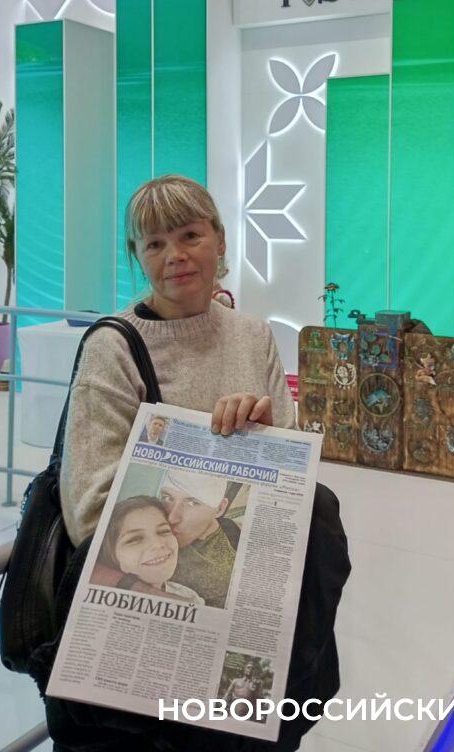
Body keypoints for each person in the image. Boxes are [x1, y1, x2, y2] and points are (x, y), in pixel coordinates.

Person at [60, 174, 296, 552]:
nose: (175, 256)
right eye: (155, 244)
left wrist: (265, 439)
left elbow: (292, 479)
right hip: (147, 570)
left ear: (220, 240)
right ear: (137, 255)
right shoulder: (113, 349)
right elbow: (89, 512)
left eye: (190, 236)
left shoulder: (253, 335)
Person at [92, 495, 203, 604]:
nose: (157, 544)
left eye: (163, 531)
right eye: (135, 539)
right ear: (110, 554)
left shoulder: (190, 596)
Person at [157, 469, 240, 608]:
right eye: (167, 498)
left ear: (220, 508)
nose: (171, 518)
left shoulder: (219, 577)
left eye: (192, 503)